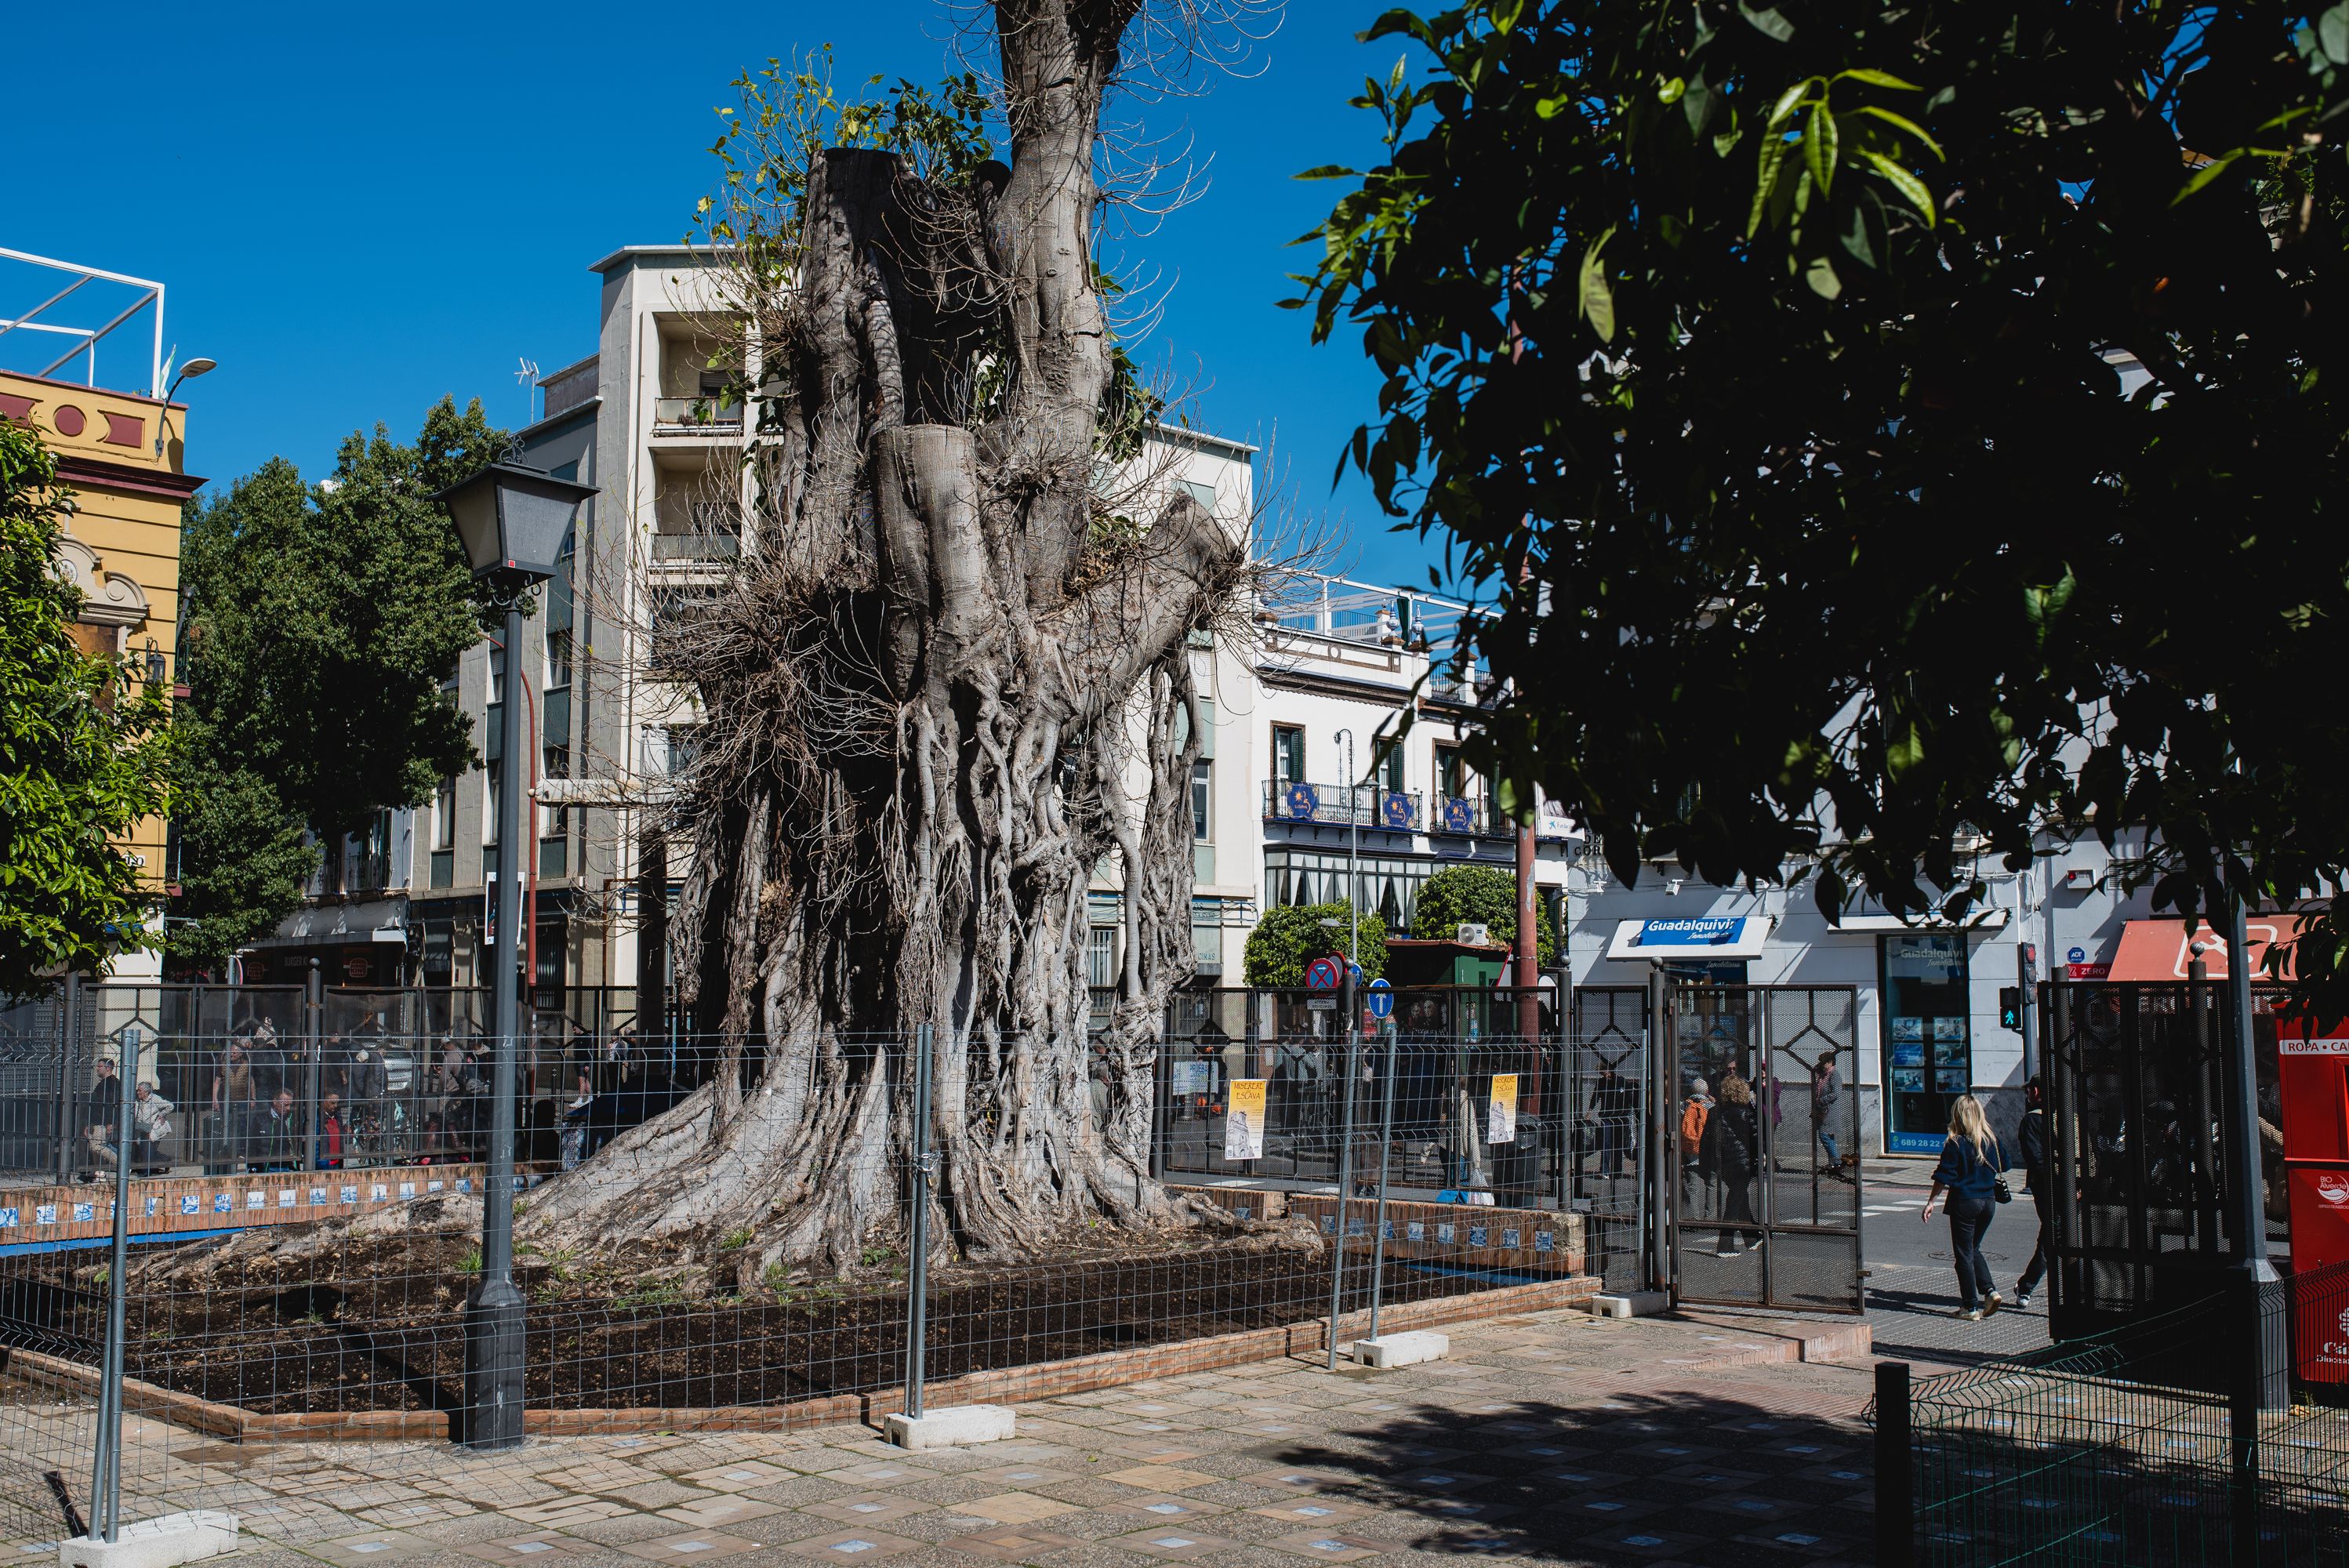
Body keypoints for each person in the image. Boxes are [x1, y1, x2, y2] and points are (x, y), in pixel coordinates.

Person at [1922, 1093, 2010, 1320]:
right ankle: (1990, 1291)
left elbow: (1944, 1175)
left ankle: (1970, 1307)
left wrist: (1931, 1202)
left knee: (1963, 1254)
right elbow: (2006, 1164)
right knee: (1973, 1248)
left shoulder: (1956, 1143)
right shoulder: (1991, 1140)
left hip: (1965, 1202)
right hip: (1989, 1202)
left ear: (1957, 1116)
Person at [1704, 1073, 1763, 1254]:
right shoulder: (1747, 1112)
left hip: (1723, 1163)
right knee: (1734, 1202)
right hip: (1743, 1163)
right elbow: (1756, 1137)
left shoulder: (1714, 1111)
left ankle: (1751, 1237)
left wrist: (1707, 1163)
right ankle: (1725, 1244)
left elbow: (1707, 1139)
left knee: (1740, 1198)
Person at [2013, 1076, 2052, 1309]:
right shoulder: (2069, 1117)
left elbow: (2035, 1159)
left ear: (2036, 1091)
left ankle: (2026, 1286)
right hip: (2073, 1189)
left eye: (2028, 1089)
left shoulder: (2031, 1121)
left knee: (2050, 1237)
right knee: (2053, 1235)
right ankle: (2026, 1286)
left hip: (2048, 1188)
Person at [209, 1039, 255, 1172]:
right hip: (226, 1100)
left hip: (242, 1100)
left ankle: (240, 1150)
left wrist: (253, 1098)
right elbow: (217, 1082)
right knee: (226, 1124)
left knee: (241, 1125)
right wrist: (214, 1099)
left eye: (235, 1052)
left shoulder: (247, 1064)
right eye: (231, 1052)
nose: (232, 1054)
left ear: (241, 1054)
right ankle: (227, 1149)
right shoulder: (223, 1065)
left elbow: (251, 1082)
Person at [1679, 1078, 1714, 1214]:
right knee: (1711, 1183)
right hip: (1707, 1150)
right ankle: (1710, 1217)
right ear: (1706, 1091)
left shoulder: (1685, 1106)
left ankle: (1695, 1216)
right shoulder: (1711, 1106)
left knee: (1692, 1185)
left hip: (1690, 1149)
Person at [129, 1080, 175, 1173]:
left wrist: (161, 1115)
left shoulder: (155, 1099)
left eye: (140, 1091)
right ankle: (165, 1160)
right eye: (137, 1090)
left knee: (147, 1148)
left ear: (147, 1092)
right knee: (141, 1147)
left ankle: (146, 1171)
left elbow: (170, 1106)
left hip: (152, 1127)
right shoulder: (137, 1100)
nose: (138, 1093)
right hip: (140, 1126)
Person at [1811, 1054, 1845, 1175]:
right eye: (1821, 1061)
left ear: (1831, 1062)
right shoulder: (1823, 1075)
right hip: (1822, 1110)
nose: (1822, 1064)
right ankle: (1832, 1163)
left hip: (1830, 1111)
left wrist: (1822, 1100)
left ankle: (1837, 1162)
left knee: (1824, 1134)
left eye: (1824, 1062)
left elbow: (1836, 1093)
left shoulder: (1834, 1075)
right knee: (1828, 1136)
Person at [253, 1088, 301, 1172]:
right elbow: (252, 1145)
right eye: (285, 1105)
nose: (288, 1108)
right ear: (275, 1102)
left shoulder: (292, 1119)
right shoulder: (260, 1119)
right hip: (267, 1167)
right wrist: (253, 1166)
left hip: (287, 1166)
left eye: (290, 1105)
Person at [315, 1091, 347, 1170]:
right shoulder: (318, 1118)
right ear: (324, 1101)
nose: (335, 1106)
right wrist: (320, 1161)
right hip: (324, 1162)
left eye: (337, 1103)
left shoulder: (338, 1117)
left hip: (337, 1161)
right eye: (333, 1103)